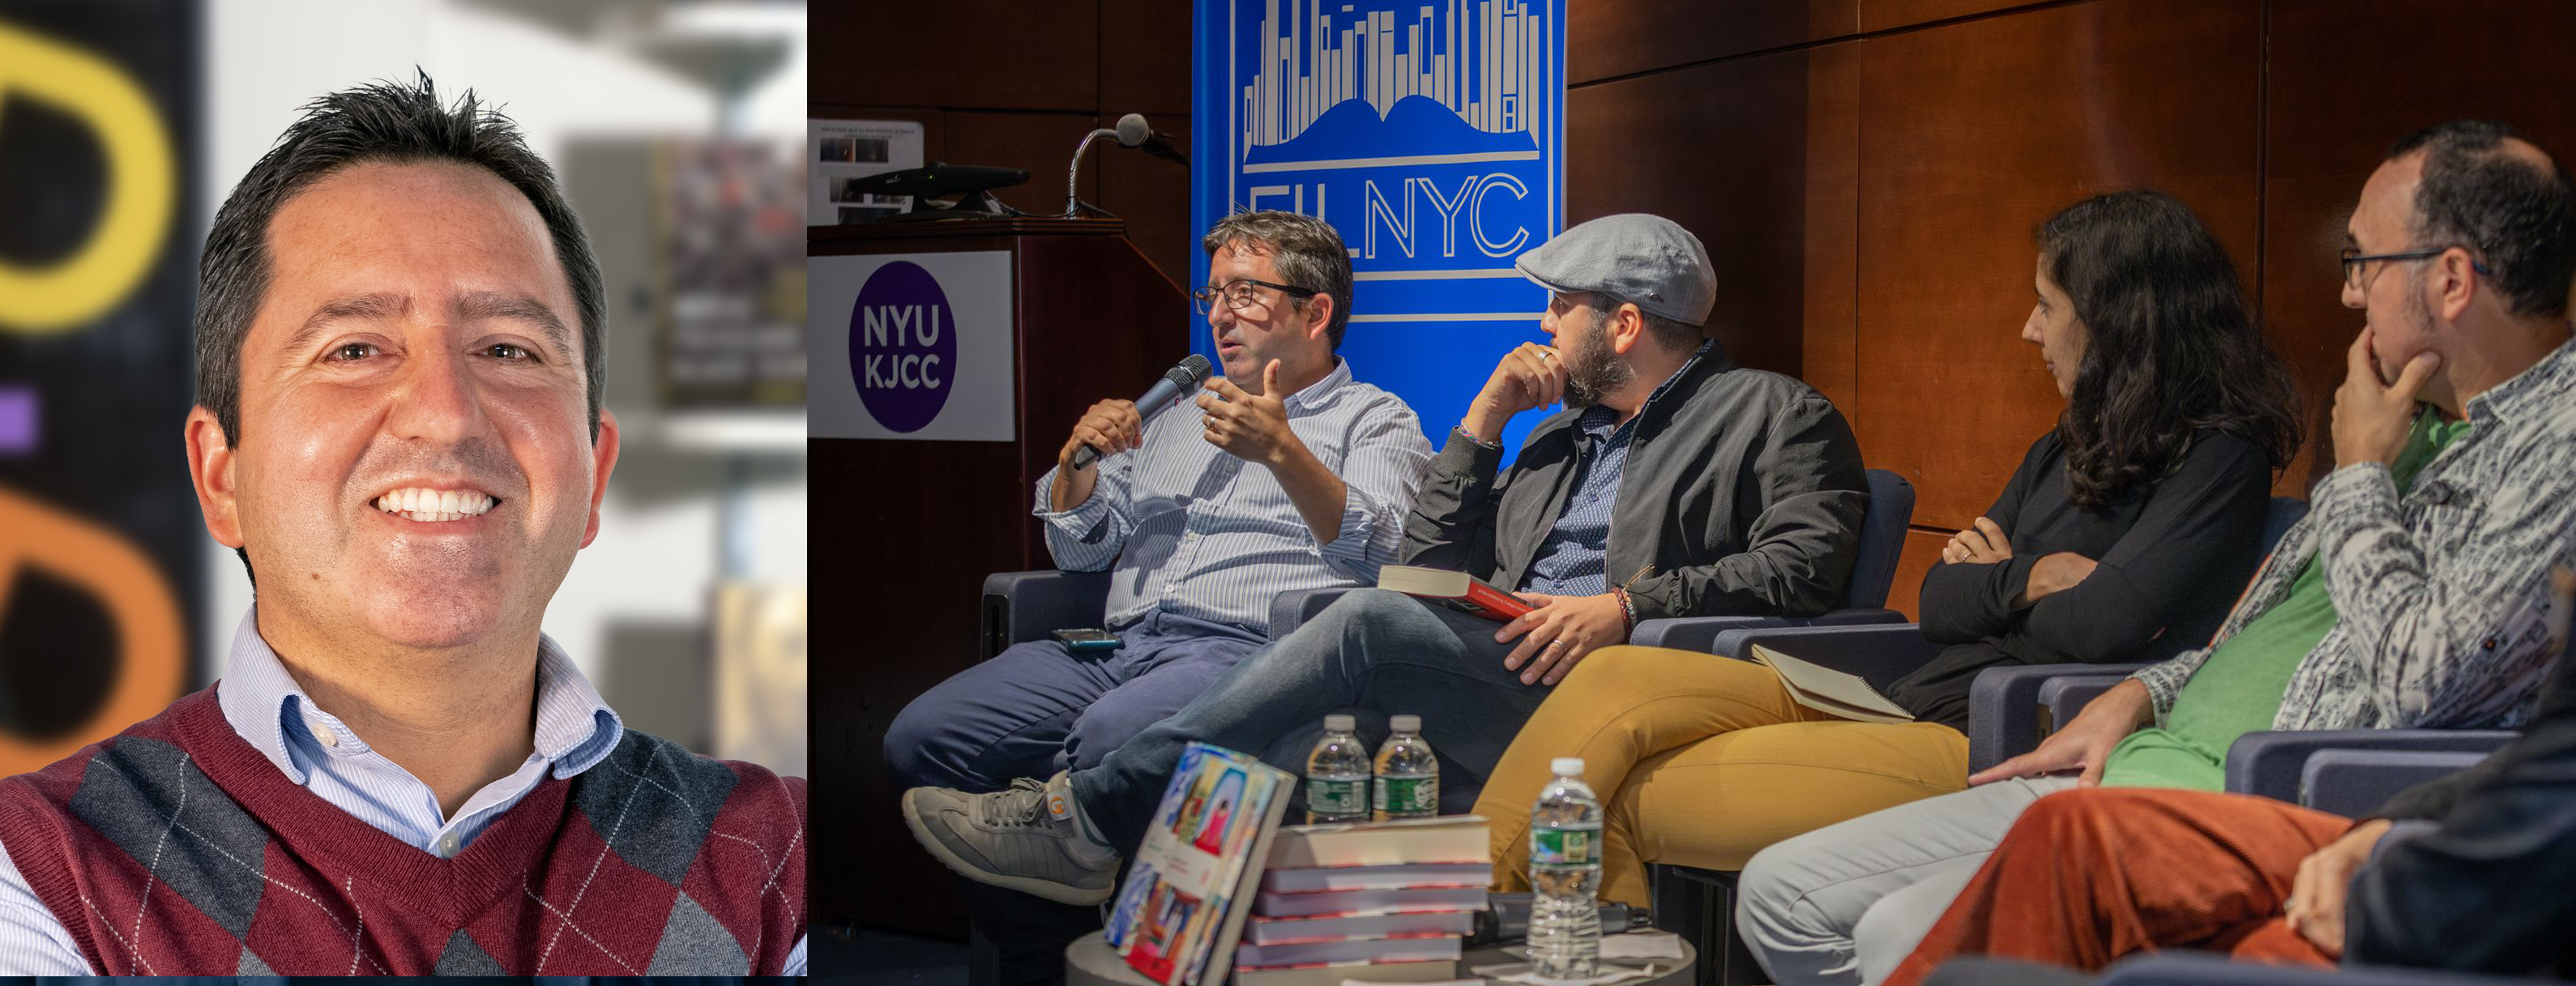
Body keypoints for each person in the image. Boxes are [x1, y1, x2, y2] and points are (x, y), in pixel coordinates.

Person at [1737, 118, 2576, 986]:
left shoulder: (2550, 444)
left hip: (2262, 791)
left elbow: (2425, 677)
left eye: (2361, 263)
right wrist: (2147, 689)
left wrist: (2358, 473)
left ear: (2448, 279)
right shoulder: (2409, 422)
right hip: (2130, 752)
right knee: (1783, 894)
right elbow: (2252, 640)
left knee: (1895, 934)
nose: (2348, 298)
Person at [0, 76, 805, 974]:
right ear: (219, 473)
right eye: (355, 349)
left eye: (508, 348)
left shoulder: (783, 863)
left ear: (595, 468)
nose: (446, 415)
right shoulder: (41, 872)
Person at [899, 212, 1872, 911]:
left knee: (1353, 617)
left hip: (1626, 679)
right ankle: (1167, 950)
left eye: (1560, 309)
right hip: (1504, 660)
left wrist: (1624, 603)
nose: (1543, 327)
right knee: (1281, 755)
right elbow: (1423, 558)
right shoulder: (1553, 439)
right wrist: (1484, 422)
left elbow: (1804, 566)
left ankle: (1090, 820)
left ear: (1621, 324)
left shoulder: (1776, 413)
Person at [1470, 190, 2302, 907]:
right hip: (1905, 692)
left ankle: (1465, 925)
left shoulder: (2220, 455)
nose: (2027, 328)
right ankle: (1483, 925)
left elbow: (2105, 624)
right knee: (1617, 675)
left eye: (2046, 305)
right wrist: (2033, 580)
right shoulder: (2064, 445)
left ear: (2120, 317)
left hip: (1998, 735)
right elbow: (1939, 601)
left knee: (1602, 795)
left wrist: (1998, 579)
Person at [883, 209, 1430, 792]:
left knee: (1106, 738)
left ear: (1315, 312)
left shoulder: (1374, 419)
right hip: (1116, 647)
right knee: (922, 737)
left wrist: (1282, 451)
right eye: (1214, 294)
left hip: (1246, 654)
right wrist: (1076, 463)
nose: (1220, 315)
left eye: (1245, 293)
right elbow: (1080, 553)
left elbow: (1392, 559)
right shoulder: (1173, 417)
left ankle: (1062, 820)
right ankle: (1063, 824)